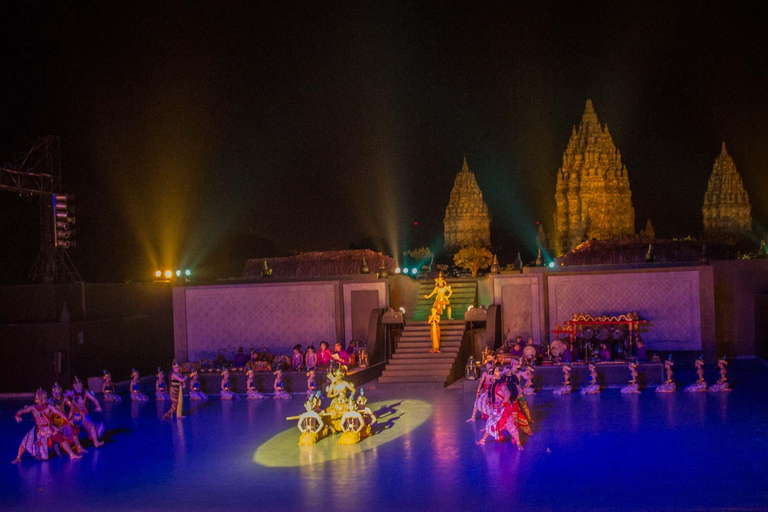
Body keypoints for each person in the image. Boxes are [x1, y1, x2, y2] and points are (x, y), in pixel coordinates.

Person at [13, 389, 82, 463]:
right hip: (39, 430)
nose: (47, 399)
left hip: (49, 428)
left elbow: (59, 413)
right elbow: (23, 410)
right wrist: (17, 415)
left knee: (61, 438)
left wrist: (66, 419)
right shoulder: (33, 408)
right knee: (26, 441)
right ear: (40, 399)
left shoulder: (49, 407)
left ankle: (71, 454)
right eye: (45, 398)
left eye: (46, 397)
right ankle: (18, 457)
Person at [476, 366, 523, 450]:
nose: (494, 373)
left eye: (496, 372)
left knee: (510, 425)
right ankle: (483, 440)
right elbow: (491, 395)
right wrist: (490, 403)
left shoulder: (502, 385)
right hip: (496, 408)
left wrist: (502, 404)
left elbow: (508, 394)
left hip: (503, 409)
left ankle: (518, 443)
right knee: (490, 423)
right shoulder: (494, 384)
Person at [68, 377, 105, 448]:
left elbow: (94, 399)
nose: (78, 386)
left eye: (79, 384)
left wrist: (98, 406)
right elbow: (65, 396)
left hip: (84, 414)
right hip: (75, 415)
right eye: (76, 384)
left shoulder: (85, 393)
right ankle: (73, 444)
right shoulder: (72, 393)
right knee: (71, 428)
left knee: (92, 426)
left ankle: (96, 442)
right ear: (73, 386)